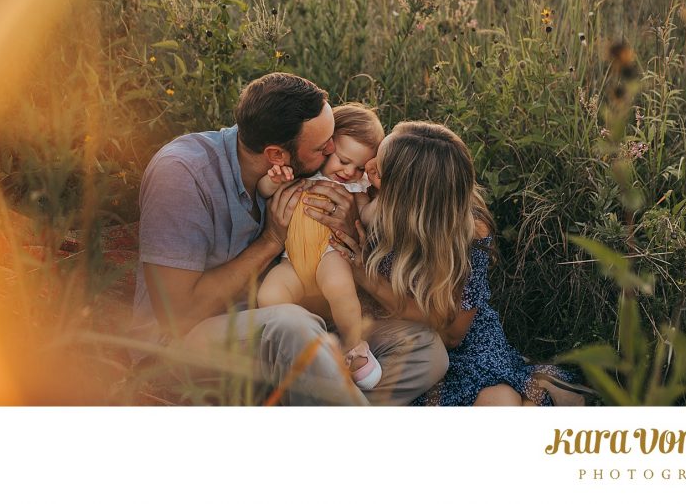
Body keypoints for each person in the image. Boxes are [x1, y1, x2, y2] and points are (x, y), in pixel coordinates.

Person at [130, 73, 448, 405]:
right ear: (277, 155)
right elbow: (177, 313)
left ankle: (307, 398)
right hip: (185, 344)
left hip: (282, 330)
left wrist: (347, 227)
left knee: (425, 349)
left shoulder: (304, 166)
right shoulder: (183, 174)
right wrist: (270, 240)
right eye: (323, 146)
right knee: (291, 325)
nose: (331, 150)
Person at [331, 121, 589, 406]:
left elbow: (453, 334)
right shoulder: (365, 196)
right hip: (400, 338)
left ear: (410, 194)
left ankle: (538, 386)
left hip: (463, 341)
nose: (368, 168)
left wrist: (369, 280)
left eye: (380, 168)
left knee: (501, 402)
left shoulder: (469, 230)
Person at [256, 103, 384, 390]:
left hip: (330, 253)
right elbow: (263, 191)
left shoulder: (355, 187)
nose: (349, 171)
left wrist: (377, 196)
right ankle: (305, 344)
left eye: (360, 166)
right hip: (292, 260)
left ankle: (355, 348)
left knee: (340, 289)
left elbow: (367, 216)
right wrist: (273, 180)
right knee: (269, 295)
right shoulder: (302, 172)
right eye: (343, 159)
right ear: (327, 146)